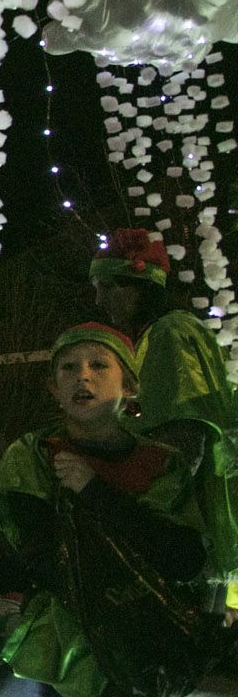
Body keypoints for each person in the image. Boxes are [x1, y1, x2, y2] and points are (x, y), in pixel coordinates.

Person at [0, 323, 207, 697]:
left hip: (141, 638)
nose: (84, 377)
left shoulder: (162, 464)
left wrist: (95, 493)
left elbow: (184, 556)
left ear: (129, 384)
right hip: (58, 628)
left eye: (99, 365)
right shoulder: (33, 454)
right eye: (69, 368)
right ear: (53, 387)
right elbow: (41, 554)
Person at [90, 227, 238, 622]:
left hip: (187, 513)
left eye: (106, 287)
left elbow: (185, 431)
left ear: (136, 287)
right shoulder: (170, 330)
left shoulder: (170, 332)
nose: (99, 300)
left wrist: (151, 508)